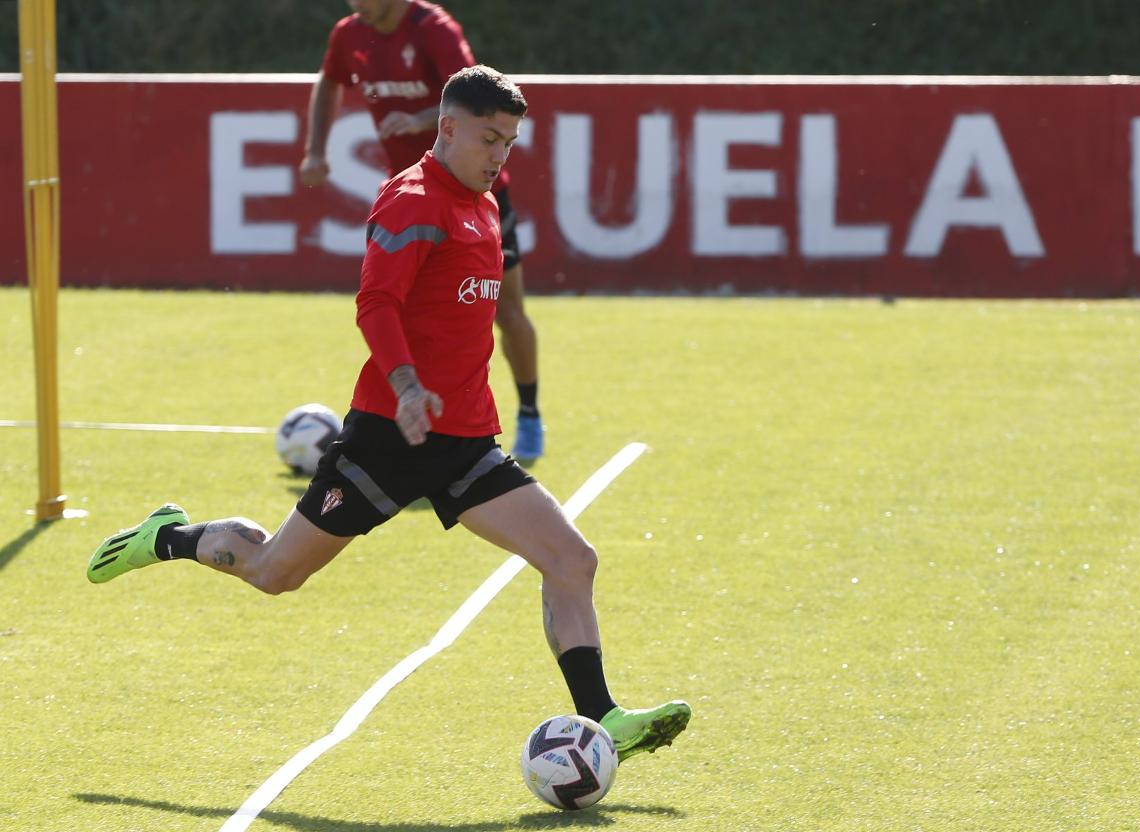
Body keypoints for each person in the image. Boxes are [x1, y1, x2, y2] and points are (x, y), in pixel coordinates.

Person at [87, 66, 690, 763]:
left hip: (463, 437)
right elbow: (377, 303)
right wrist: (406, 386)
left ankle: (603, 717)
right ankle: (171, 538)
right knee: (276, 573)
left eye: (511, 142)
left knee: (571, 559)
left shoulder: (486, 204)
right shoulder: (410, 201)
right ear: (449, 129)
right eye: (489, 138)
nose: (500, 155)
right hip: (388, 438)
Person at [299, 0, 544, 460]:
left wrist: (419, 120)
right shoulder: (350, 33)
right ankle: (413, 432)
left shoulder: (433, 28)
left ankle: (529, 414)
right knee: (401, 310)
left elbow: (480, 103)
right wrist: (315, 149)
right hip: (416, 198)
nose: (357, 5)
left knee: (504, 310)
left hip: (477, 199)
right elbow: (328, 82)